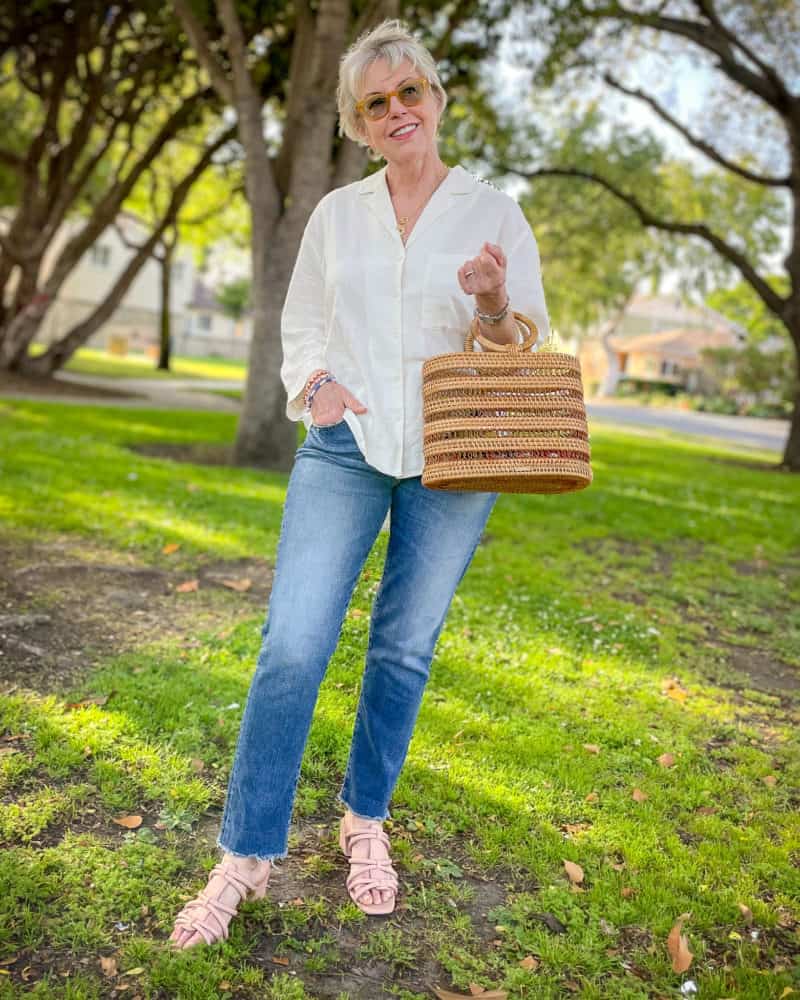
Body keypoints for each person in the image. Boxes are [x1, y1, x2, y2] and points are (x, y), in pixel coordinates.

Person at [169, 17, 550, 950]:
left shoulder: (492, 210)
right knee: (293, 645)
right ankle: (245, 858)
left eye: (407, 93)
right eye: (375, 102)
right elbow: (302, 324)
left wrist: (495, 303)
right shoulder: (339, 215)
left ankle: (363, 820)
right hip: (344, 448)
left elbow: (524, 339)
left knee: (405, 649)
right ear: (358, 121)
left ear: (435, 99)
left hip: (456, 456)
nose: (395, 111)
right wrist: (315, 386)